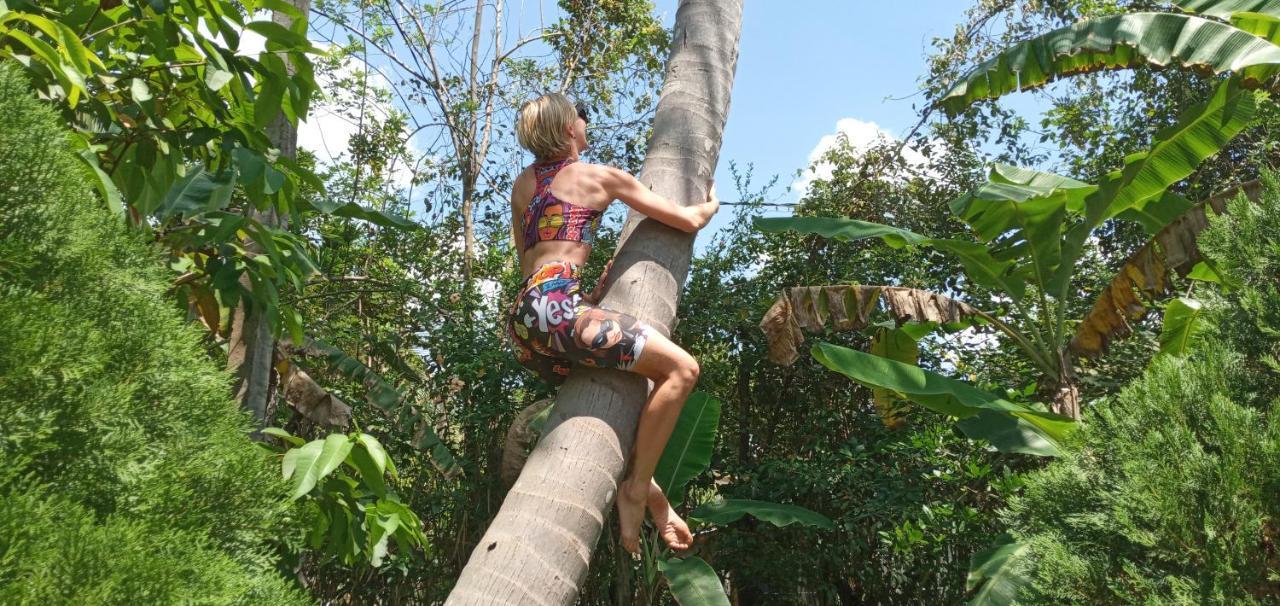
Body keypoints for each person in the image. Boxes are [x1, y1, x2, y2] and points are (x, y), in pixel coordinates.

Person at [507, 93, 719, 554]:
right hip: (559, 308)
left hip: (525, 321)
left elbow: (528, 261)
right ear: (569, 129)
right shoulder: (598, 176)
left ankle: (658, 505)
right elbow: (685, 220)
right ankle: (636, 490)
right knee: (682, 370)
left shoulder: (523, 186)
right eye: (582, 119)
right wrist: (710, 206)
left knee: (629, 397)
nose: (586, 126)